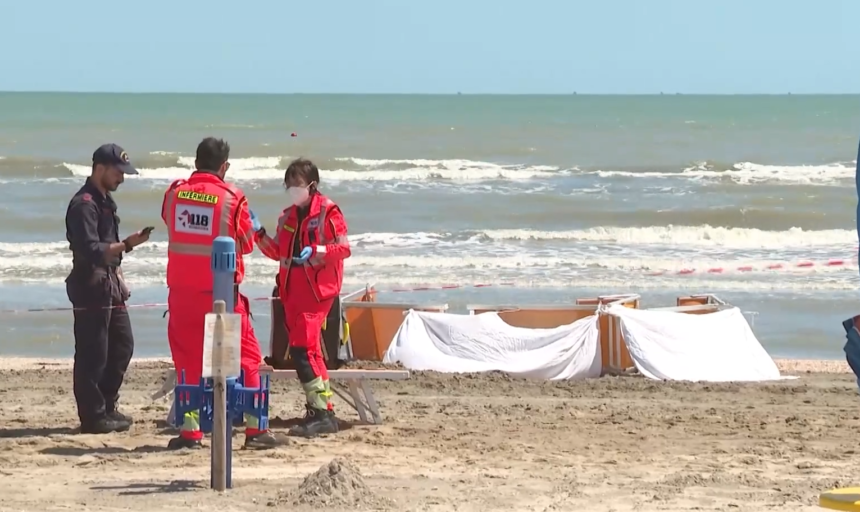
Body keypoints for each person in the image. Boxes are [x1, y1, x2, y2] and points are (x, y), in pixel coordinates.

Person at [161, 137, 288, 450]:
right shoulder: (232, 197)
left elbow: (170, 221)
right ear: (224, 166)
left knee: (187, 359)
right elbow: (245, 243)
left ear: (195, 162)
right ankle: (256, 430)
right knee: (247, 357)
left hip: (181, 291)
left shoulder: (175, 193)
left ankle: (190, 433)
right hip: (221, 294)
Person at [255, 158, 351, 437]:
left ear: (312, 184)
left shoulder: (329, 212)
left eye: (297, 184)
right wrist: (258, 234)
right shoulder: (287, 216)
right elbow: (278, 253)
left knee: (301, 349)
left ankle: (321, 412)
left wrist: (318, 250)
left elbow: (343, 249)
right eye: (289, 185)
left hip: (317, 291)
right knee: (309, 352)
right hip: (291, 291)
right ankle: (323, 409)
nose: (293, 190)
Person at [65, 143, 150, 434]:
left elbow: (111, 251)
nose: (122, 179)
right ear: (100, 168)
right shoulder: (84, 204)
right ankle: (93, 416)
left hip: (110, 284)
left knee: (122, 345)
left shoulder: (105, 202)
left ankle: (107, 406)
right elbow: (90, 249)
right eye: (118, 172)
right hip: (90, 285)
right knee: (93, 353)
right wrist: (127, 244)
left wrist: (121, 277)